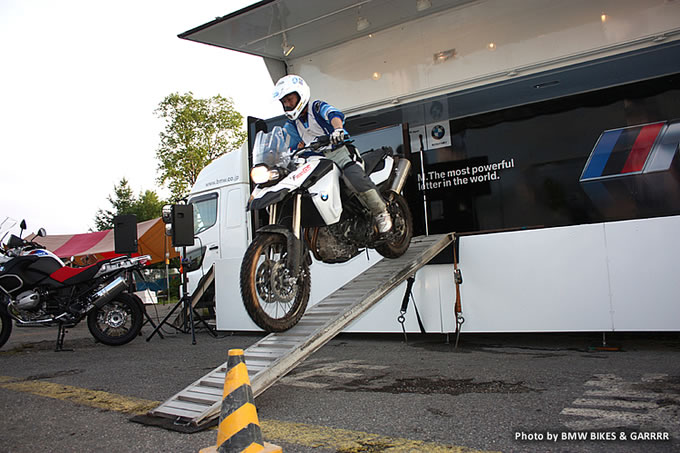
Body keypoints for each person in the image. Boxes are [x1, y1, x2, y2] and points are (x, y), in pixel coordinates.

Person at [272, 74, 392, 233]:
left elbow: (333, 114)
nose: (288, 104)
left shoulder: (316, 107)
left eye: (290, 99)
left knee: (353, 178)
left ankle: (381, 213)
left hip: (339, 153)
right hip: (315, 161)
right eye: (284, 101)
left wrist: (338, 130)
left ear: (300, 95)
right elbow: (287, 146)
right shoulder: (291, 125)